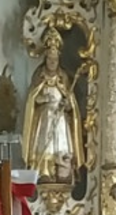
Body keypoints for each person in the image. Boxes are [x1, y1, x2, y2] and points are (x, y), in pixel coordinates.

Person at [22, 28, 84, 185]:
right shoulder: (39, 75)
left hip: (60, 117)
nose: (52, 63)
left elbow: (71, 104)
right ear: (45, 58)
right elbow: (33, 98)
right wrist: (43, 99)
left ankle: (62, 171)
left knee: (60, 143)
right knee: (44, 142)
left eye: (55, 60)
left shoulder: (63, 77)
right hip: (44, 117)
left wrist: (67, 104)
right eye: (49, 59)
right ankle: (44, 171)